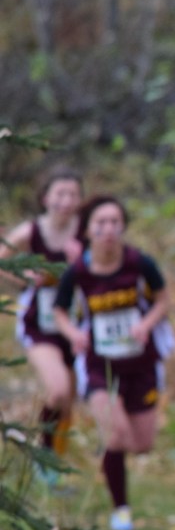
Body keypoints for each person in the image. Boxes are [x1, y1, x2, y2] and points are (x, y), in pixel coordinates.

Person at [52, 195, 175, 530]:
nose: (108, 230)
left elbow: (163, 299)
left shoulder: (139, 263)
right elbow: (59, 312)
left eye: (114, 223)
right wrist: (74, 333)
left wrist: (146, 324)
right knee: (116, 436)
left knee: (141, 443)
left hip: (140, 364)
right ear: (88, 229)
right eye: (101, 223)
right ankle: (121, 510)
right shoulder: (78, 272)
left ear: (123, 227)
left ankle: (108, 449)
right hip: (98, 365)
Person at [0, 166, 84, 477]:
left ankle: (54, 463)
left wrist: (81, 266)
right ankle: (44, 459)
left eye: (73, 194)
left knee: (68, 401)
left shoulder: (88, 231)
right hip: (39, 323)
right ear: (46, 197)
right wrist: (25, 277)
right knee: (58, 390)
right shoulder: (31, 232)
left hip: (77, 325)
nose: (66, 200)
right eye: (60, 193)